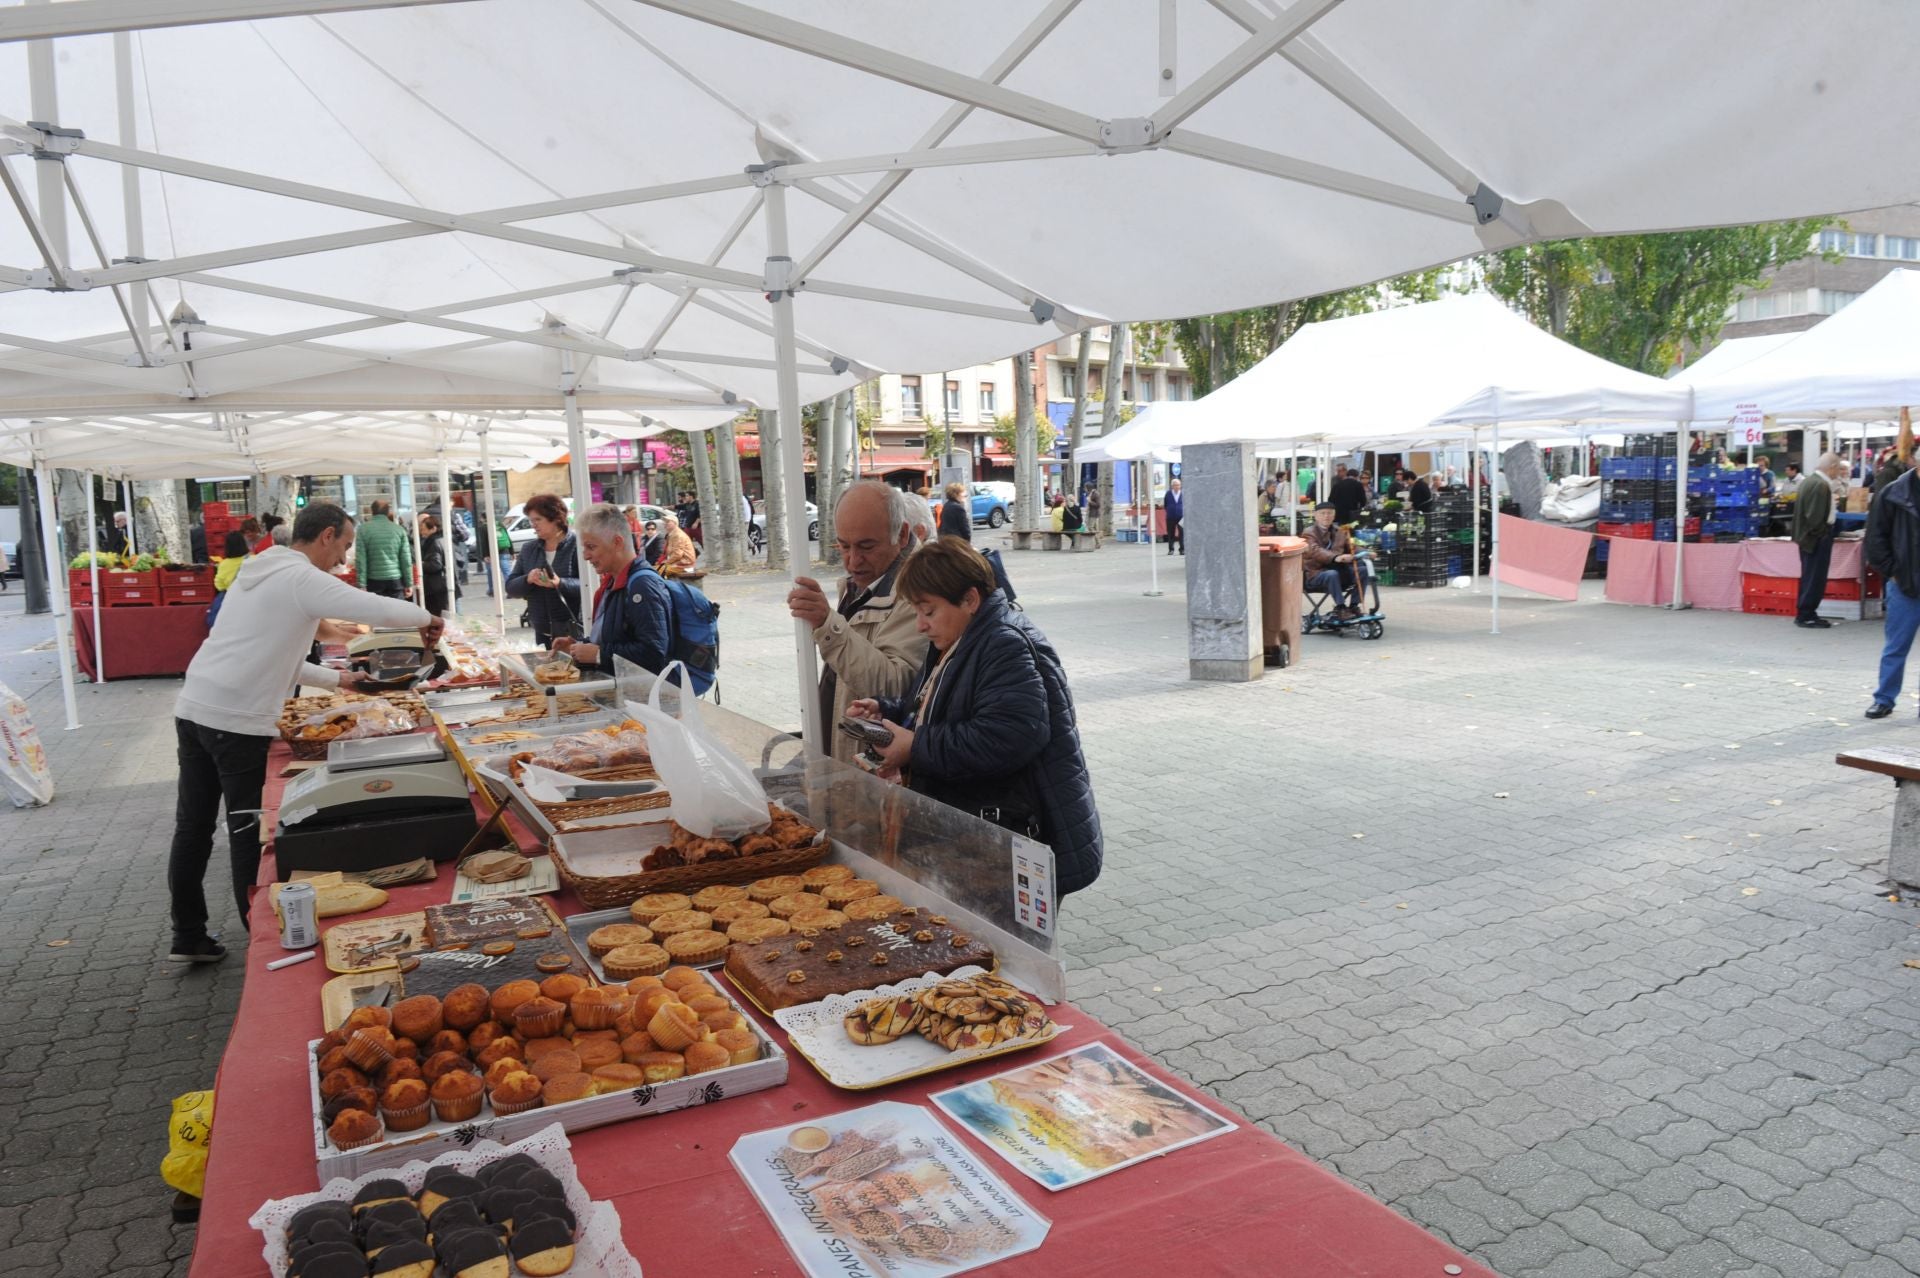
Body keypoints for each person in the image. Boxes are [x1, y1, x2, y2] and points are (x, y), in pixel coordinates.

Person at [168, 502, 439, 963]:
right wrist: (426, 618)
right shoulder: (300, 577)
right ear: (326, 535)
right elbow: (368, 606)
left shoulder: (259, 569)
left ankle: (188, 933)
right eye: (345, 547)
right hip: (236, 719)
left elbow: (277, 653)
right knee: (245, 827)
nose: (343, 560)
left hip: (196, 705)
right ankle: (257, 939)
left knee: (192, 827)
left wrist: (339, 680)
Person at [847, 537, 1101, 898]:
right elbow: (940, 705)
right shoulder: (958, 637)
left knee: (1011, 952)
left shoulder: (1004, 643)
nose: (920, 625)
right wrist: (888, 711)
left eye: (928, 611)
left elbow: (1007, 737)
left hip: (1011, 842)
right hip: (978, 840)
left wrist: (916, 747)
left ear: (969, 599)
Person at [787, 481, 928, 765]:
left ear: (901, 535)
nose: (853, 561)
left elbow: (894, 686)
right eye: (843, 546)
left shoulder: (920, 588)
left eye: (866, 546)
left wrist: (828, 625)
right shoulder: (866, 583)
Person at [552, 504, 672, 676]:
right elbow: (615, 637)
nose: (585, 555)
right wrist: (579, 645)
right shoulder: (613, 581)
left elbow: (654, 653)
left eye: (591, 547)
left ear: (617, 542)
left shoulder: (642, 585)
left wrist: (599, 654)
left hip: (639, 699)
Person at [1865, 454, 1920, 718]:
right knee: (1896, 646)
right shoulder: (1893, 492)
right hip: (1904, 584)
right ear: (1916, 462)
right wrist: (1893, 572)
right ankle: (1885, 698)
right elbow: (1875, 538)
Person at [505, 493, 582, 647]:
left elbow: (589, 586)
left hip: (573, 631)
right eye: (531, 520)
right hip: (542, 630)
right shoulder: (529, 549)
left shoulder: (578, 545)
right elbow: (511, 588)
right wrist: (528, 579)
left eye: (538, 519)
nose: (533, 525)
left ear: (555, 518)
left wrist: (560, 583)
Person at [1792, 452, 1847, 629]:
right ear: (1831, 467)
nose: (1839, 471)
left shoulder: (1810, 481)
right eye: (1838, 467)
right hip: (1816, 538)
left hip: (1809, 538)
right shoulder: (1820, 485)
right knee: (1815, 577)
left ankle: (1805, 612)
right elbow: (1815, 518)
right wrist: (1823, 533)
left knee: (1810, 576)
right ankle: (1807, 613)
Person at [1302, 501, 1364, 616]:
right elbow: (1316, 551)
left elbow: (1351, 546)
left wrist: (1366, 552)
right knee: (1332, 574)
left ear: (1334, 515)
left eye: (1330, 513)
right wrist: (1336, 557)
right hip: (1315, 573)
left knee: (1362, 571)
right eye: (1323, 513)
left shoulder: (1340, 530)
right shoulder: (1308, 533)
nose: (1326, 516)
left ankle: (1354, 606)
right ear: (1315, 515)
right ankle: (1341, 608)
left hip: (1339, 570)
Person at [354, 500, 413, 600]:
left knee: (377, 613)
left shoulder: (363, 530)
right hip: (396, 580)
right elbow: (406, 560)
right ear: (387, 512)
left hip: (373, 580)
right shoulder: (399, 530)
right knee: (397, 612)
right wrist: (409, 583)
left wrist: (361, 584)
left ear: (372, 512)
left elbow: (361, 560)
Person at [418, 513, 457, 614]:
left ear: (433, 529)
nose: (422, 532)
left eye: (423, 529)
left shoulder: (433, 542)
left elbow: (435, 564)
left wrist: (420, 564)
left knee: (438, 614)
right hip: (443, 583)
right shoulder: (444, 539)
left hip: (436, 586)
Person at [1163, 477, 1183, 555]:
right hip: (1170, 517)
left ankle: (1182, 549)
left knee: (1182, 533)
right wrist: (1169, 510)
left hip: (1181, 516)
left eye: (1178, 485)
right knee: (1171, 533)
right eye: (1175, 485)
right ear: (1172, 486)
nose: (1176, 487)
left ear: (1180, 486)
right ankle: (1171, 549)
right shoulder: (1168, 494)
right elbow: (1165, 504)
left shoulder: (1183, 493)